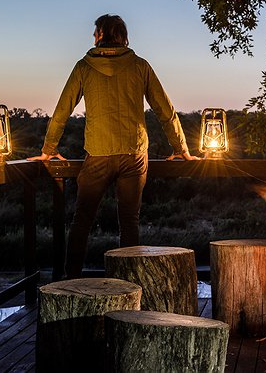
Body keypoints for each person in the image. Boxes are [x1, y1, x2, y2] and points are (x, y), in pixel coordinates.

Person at [29, 14, 198, 278]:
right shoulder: (140, 66)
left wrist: (48, 149)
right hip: (134, 154)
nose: (92, 36)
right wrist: (181, 148)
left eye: (94, 32)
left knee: (82, 220)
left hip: (97, 154)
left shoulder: (84, 67)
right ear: (122, 36)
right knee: (129, 221)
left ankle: (70, 281)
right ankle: (129, 283)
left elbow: (63, 110)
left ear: (100, 35)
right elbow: (165, 110)